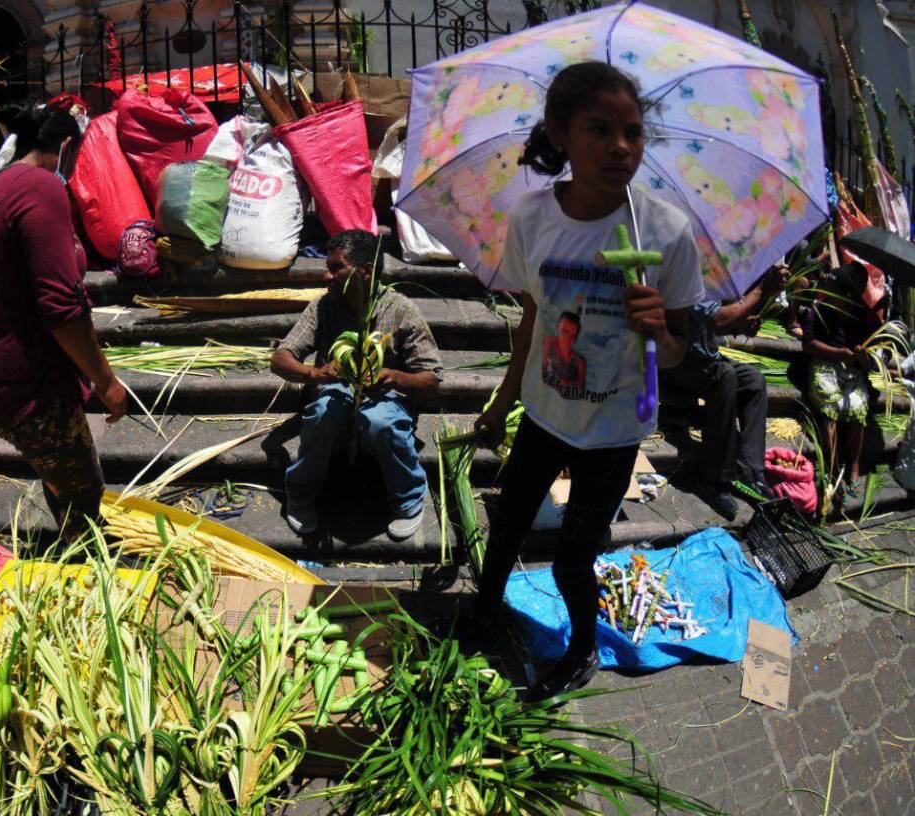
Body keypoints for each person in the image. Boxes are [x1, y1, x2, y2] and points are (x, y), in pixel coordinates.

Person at [465, 62, 705, 700]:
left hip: (613, 431)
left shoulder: (666, 233)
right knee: (508, 523)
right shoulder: (532, 219)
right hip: (544, 414)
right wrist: (502, 403)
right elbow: (534, 319)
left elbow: (679, 357)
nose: (621, 147)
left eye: (633, 132)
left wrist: (659, 329)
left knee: (575, 556)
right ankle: (483, 613)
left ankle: (582, 648)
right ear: (560, 134)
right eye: (599, 129)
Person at [0, 101, 127, 542]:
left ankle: (75, 545)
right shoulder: (39, 187)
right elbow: (62, 308)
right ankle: (85, 565)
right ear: (67, 147)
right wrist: (106, 381)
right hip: (28, 385)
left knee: (61, 475)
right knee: (84, 491)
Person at [271, 229, 442, 541]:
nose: (326, 275)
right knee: (325, 412)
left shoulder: (401, 310)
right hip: (336, 391)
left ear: (365, 271)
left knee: (381, 421)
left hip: (386, 397)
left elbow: (431, 379)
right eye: (328, 267)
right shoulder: (325, 306)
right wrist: (313, 374)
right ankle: (301, 493)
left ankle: (408, 498)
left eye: (336, 268)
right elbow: (280, 358)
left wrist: (394, 376)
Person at [661, 264, 789, 520]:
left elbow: (713, 328)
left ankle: (750, 471)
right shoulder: (686, 272)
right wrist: (762, 289)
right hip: (674, 365)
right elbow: (718, 320)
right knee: (724, 376)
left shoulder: (711, 277)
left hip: (702, 359)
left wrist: (740, 326)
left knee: (753, 380)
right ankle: (712, 477)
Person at [800, 262, 880, 503]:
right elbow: (808, 344)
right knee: (831, 408)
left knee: (857, 408)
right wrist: (837, 353)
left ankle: (853, 466)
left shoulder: (866, 318)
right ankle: (833, 468)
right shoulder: (822, 308)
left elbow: (876, 359)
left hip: (852, 370)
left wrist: (864, 358)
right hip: (825, 363)